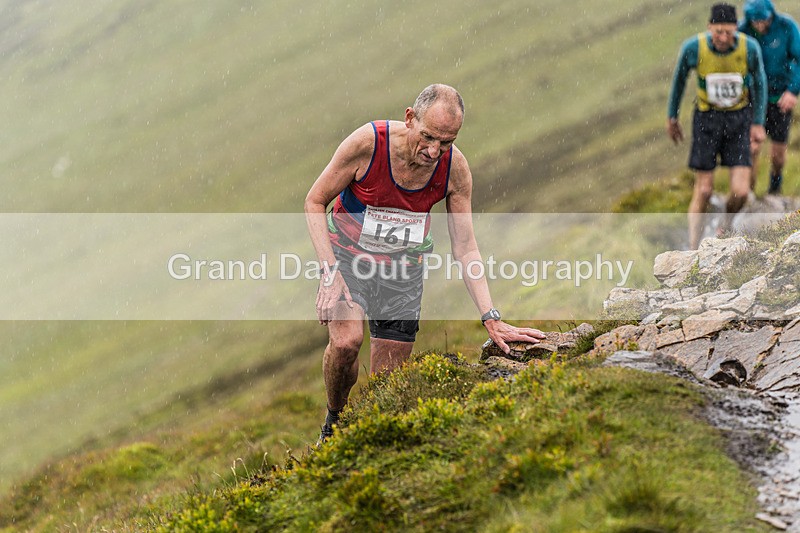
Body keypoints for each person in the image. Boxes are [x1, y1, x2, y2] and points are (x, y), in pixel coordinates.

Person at [304, 84, 545, 443]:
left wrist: (490, 317)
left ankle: (368, 445)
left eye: (446, 142)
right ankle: (334, 421)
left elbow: (466, 247)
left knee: (388, 388)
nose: (434, 151)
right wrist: (329, 272)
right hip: (348, 258)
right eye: (429, 137)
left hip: (403, 271)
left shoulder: (454, 170)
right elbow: (314, 201)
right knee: (346, 343)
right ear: (409, 118)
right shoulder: (368, 144)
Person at [667, 3, 767, 249]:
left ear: (736, 28)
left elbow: (761, 83)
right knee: (703, 190)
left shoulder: (748, 48)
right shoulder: (693, 48)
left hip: (738, 120)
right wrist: (672, 116)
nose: (723, 38)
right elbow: (679, 80)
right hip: (707, 120)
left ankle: (727, 223)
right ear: (709, 27)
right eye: (718, 31)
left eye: (728, 32)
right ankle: (693, 249)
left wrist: (757, 123)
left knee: (741, 192)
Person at [739, 0, 800, 195]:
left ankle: (775, 188)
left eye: (762, 19)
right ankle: (747, 194)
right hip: (753, 99)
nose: (759, 24)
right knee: (752, 147)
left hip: (780, 98)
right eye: (755, 20)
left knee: (778, 154)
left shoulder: (787, 27)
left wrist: (793, 91)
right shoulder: (743, 31)